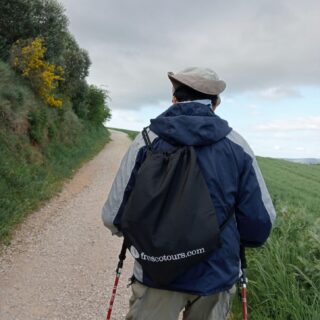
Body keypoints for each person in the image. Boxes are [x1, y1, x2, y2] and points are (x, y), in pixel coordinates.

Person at [102, 67, 276, 320]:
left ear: (174, 99)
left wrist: (143, 238)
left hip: (156, 273)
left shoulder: (146, 141)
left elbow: (112, 215)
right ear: (215, 104)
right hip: (216, 275)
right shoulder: (237, 146)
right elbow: (260, 224)